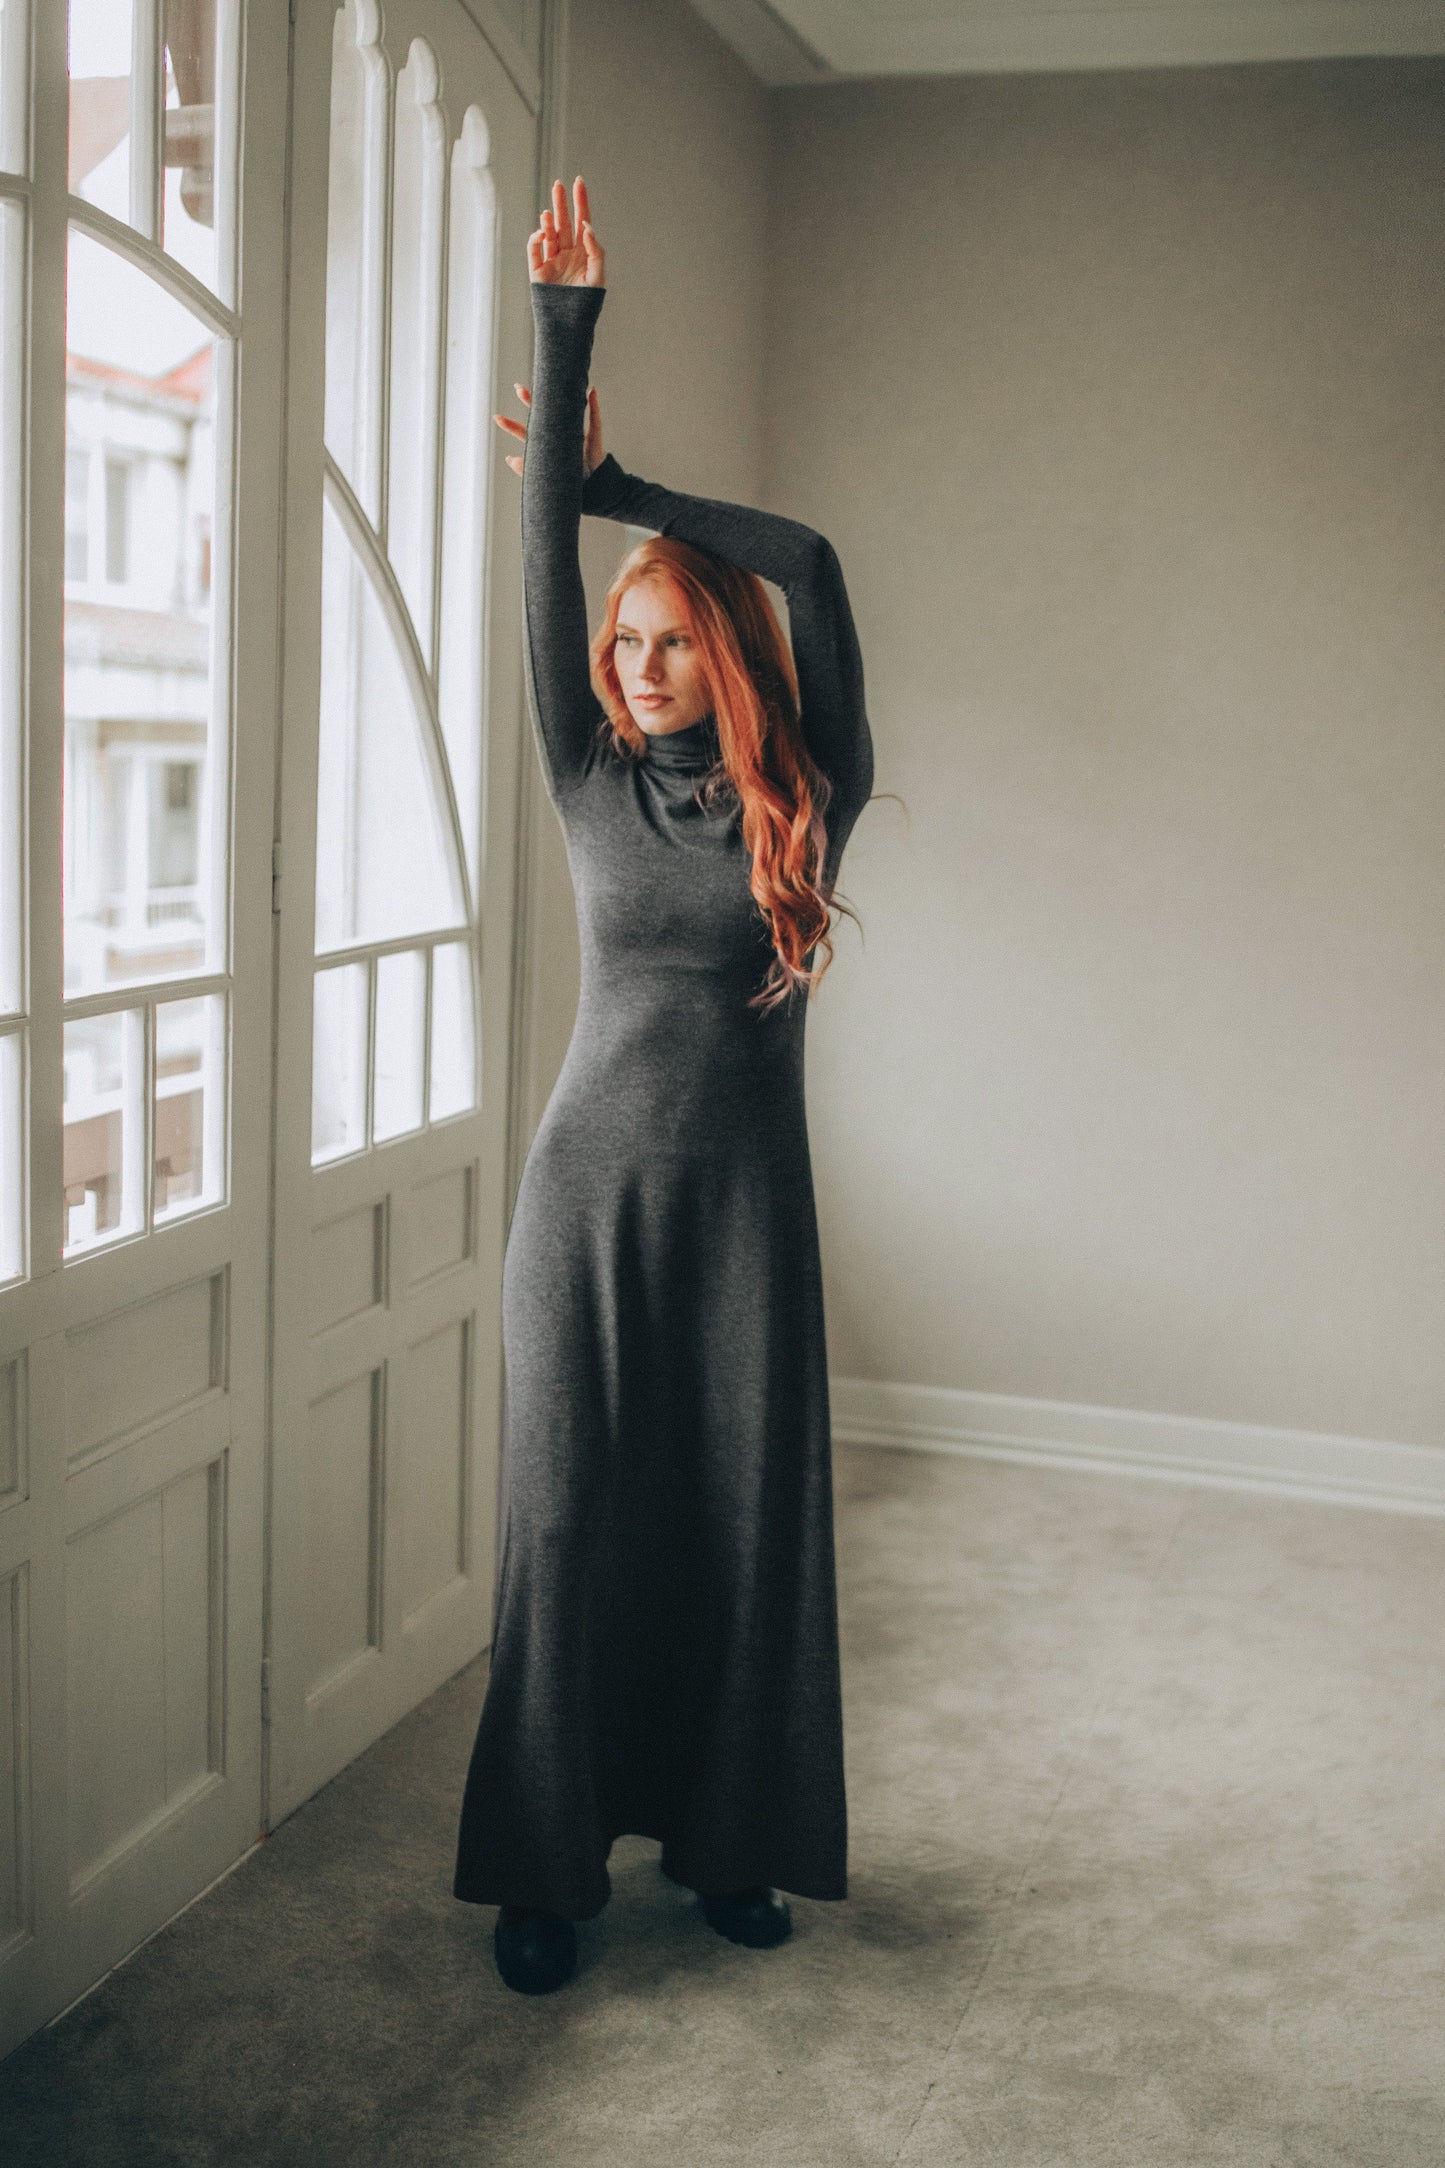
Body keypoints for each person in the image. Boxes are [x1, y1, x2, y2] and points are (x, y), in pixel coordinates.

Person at [453, 175, 874, 1995]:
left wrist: (633, 490)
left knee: (740, 1529)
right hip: (584, 1203)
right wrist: (566, 338)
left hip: (742, 1219)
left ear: (720, 649)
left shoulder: (812, 791)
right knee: (566, 1525)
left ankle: (729, 1847)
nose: (631, 668)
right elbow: (535, 561)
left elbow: (813, 563)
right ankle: (544, 1870)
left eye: (664, 639)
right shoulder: (580, 773)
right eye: (621, 646)